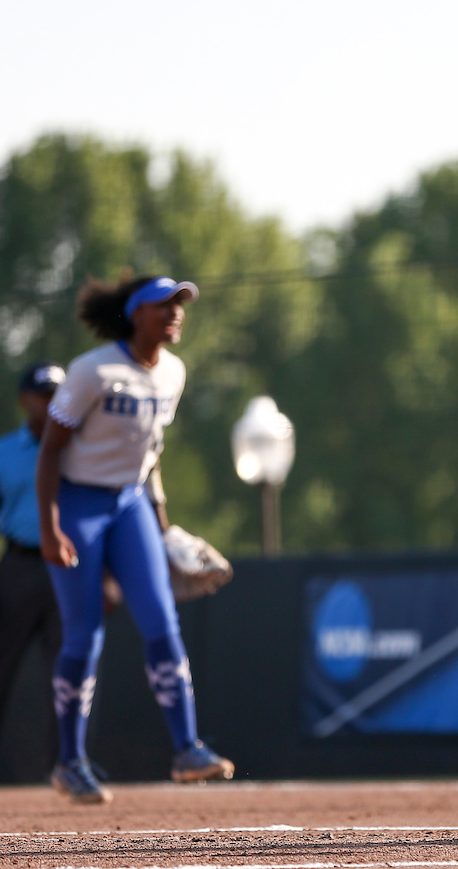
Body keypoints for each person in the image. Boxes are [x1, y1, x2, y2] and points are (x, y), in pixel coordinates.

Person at [36, 275, 234, 804]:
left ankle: (187, 748)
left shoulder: (173, 372)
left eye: (180, 305)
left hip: (129, 504)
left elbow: (151, 454)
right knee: (84, 633)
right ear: (136, 314)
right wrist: (50, 526)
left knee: (161, 619)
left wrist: (163, 525)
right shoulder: (93, 370)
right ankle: (70, 761)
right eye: (163, 305)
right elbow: (51, 451)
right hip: (78, 502)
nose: (175, 313)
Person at [0, 363, 66, 767]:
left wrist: (108, 575)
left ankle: (69, 764)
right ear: (26, 399)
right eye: (43, 394)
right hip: (20, 565)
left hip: (71, 568)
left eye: (58, 393)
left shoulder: (80, 447)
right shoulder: (5, 452)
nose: (51, 402)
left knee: (70, 672)